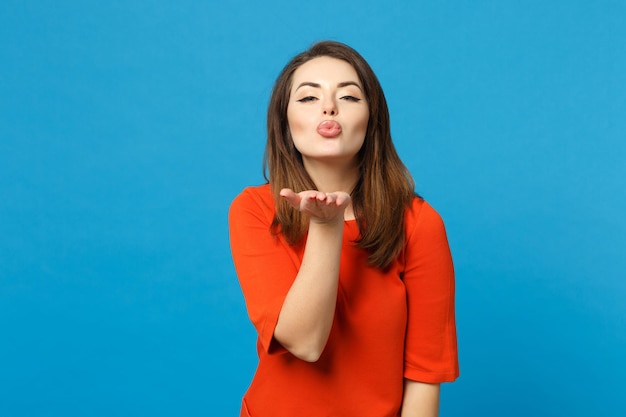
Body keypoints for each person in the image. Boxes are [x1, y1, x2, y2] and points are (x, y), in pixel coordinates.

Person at [228, 40, 459, 417]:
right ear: (285, 123)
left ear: (373, 120)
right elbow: (304, 342)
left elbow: (423, 377)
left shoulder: (419, 224)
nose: (329, 107)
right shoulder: (253, 210)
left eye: (350, 97)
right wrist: (327, 226)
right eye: (307, 98)